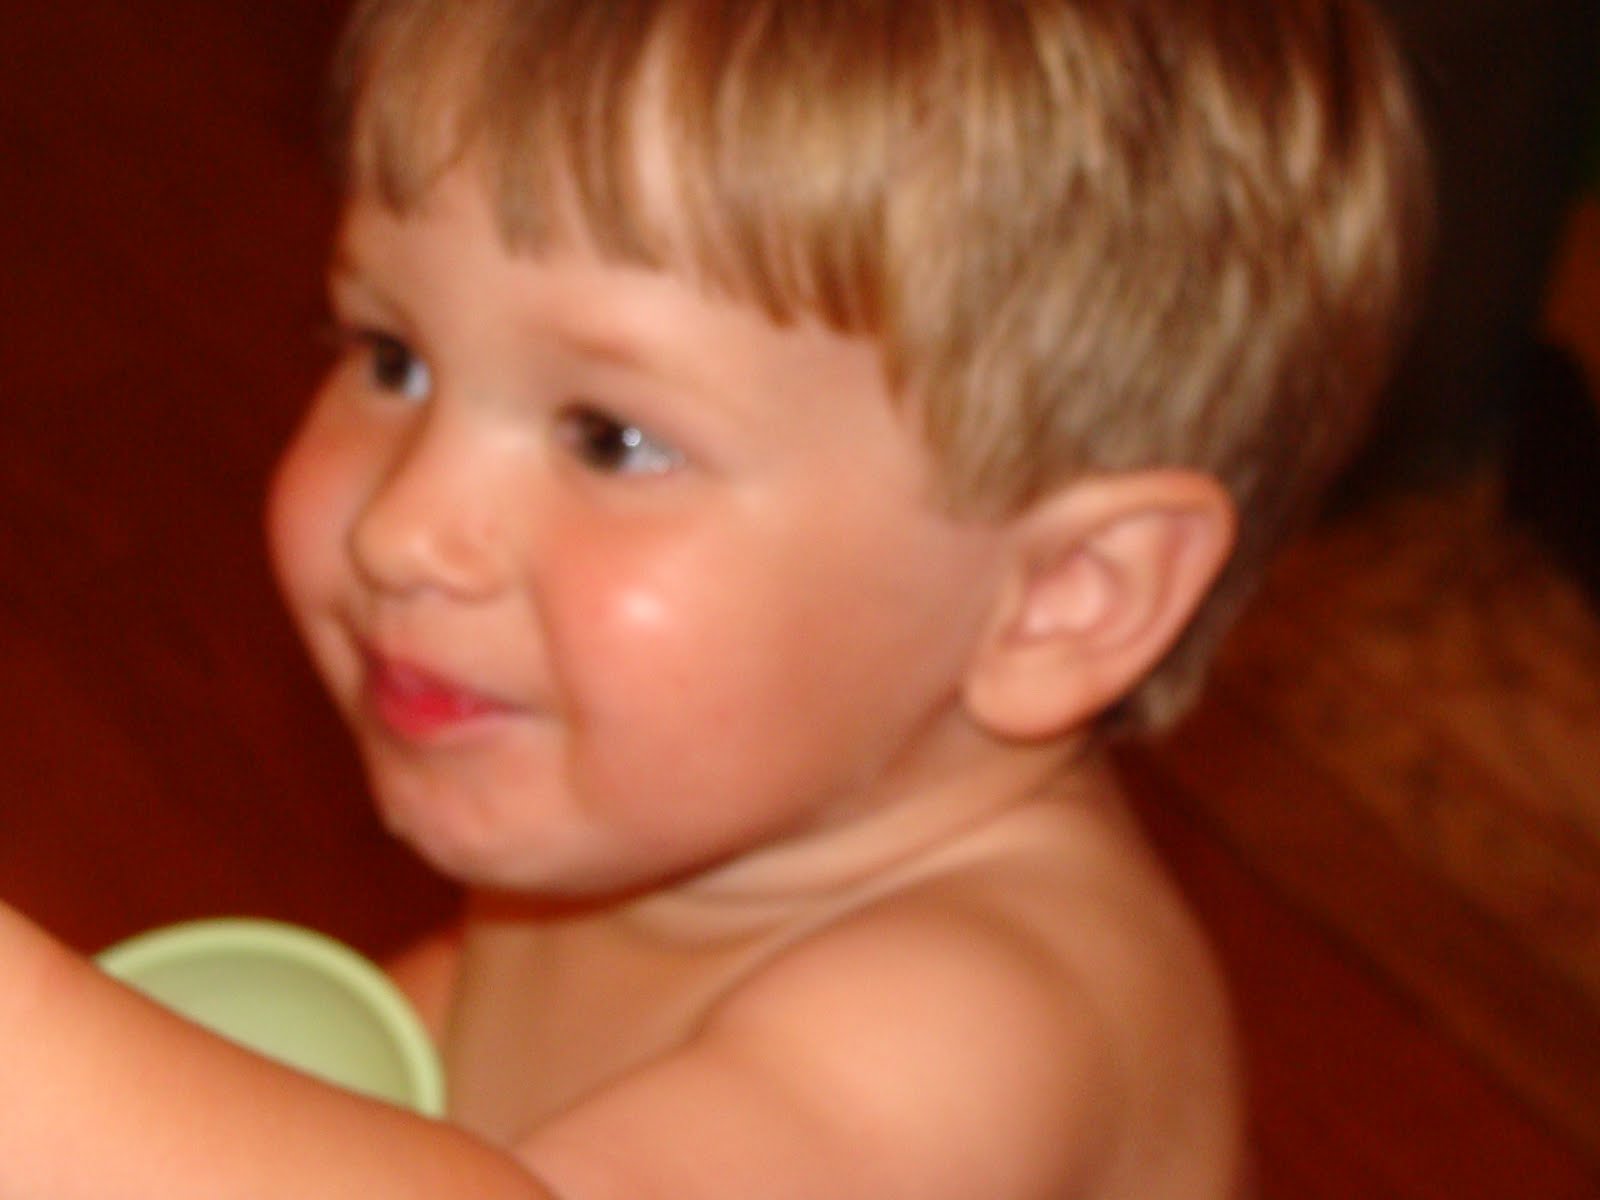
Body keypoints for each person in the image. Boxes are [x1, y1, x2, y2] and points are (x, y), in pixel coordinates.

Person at [0, 0, 1430, 1196]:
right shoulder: (690, 813)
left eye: (612, 439)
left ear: (1064, 595)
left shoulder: (985, 1027)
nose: (404, 528)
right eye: (391, 357)